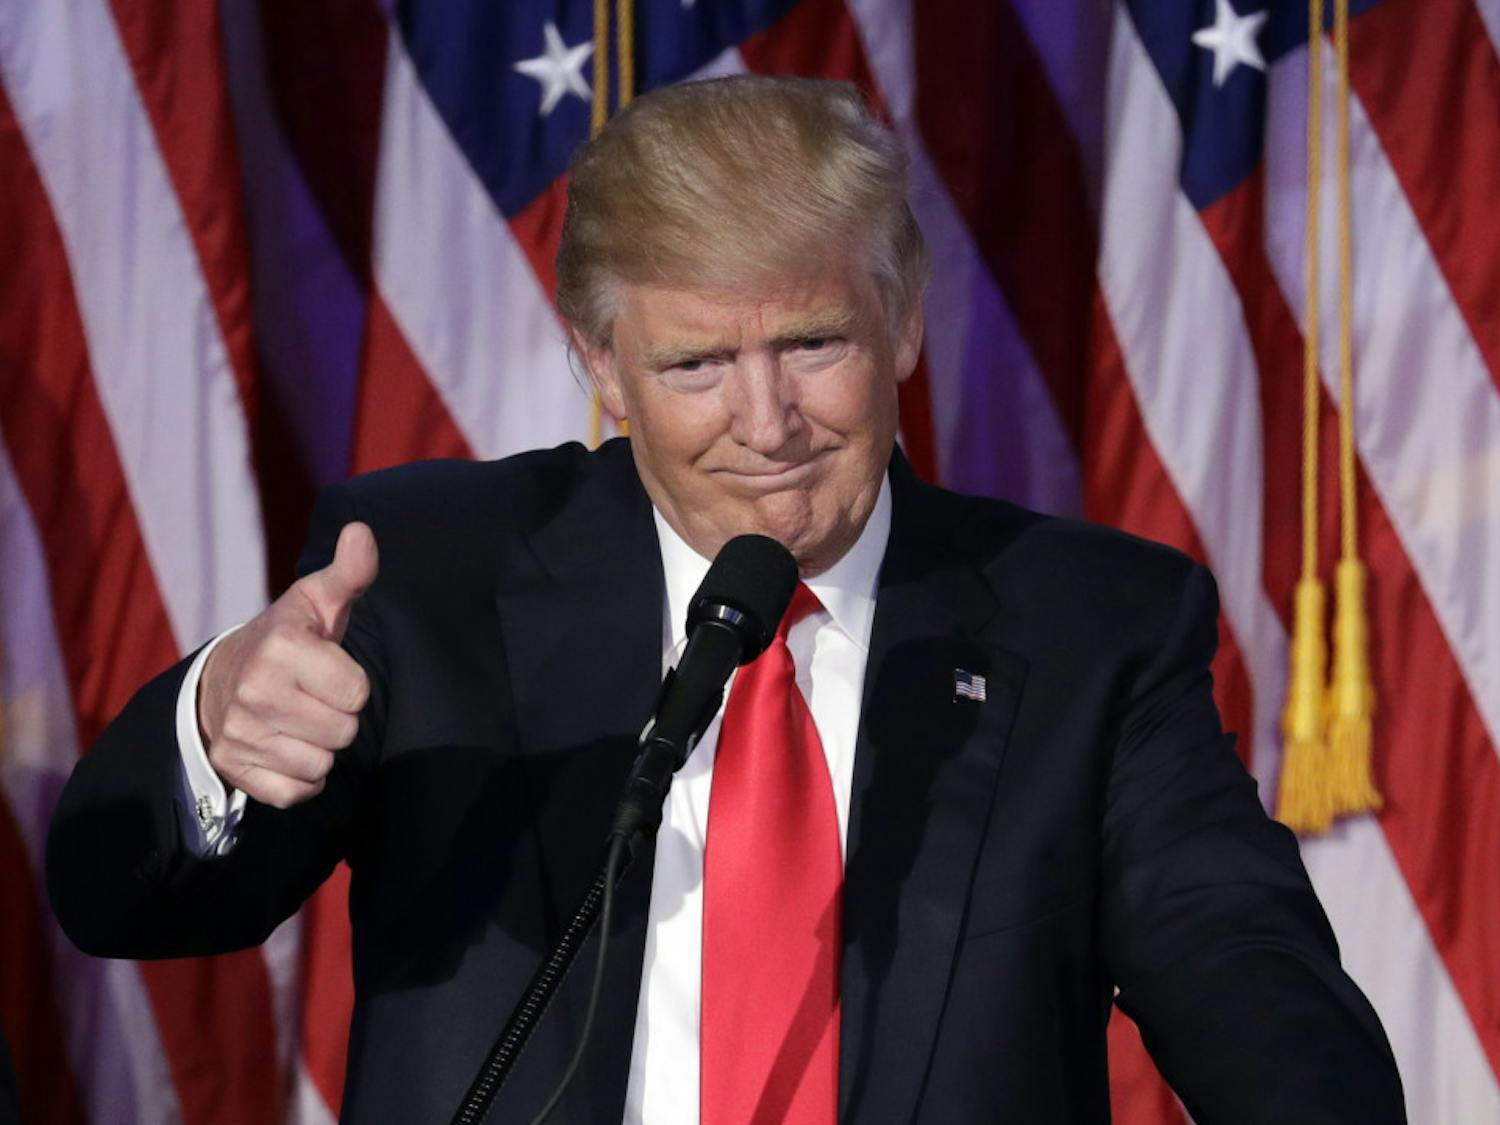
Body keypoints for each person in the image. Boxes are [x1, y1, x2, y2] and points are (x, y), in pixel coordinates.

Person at [47, 76, 1404, 1123]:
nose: (767, 423)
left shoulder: (1093, 626)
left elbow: (1243, 970)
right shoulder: (434, 575)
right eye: (696, 363)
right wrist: (214, 730)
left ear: (904, 322)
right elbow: (122, 901)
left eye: (812, 341)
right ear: (601, 361)